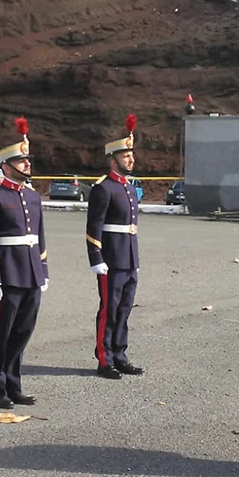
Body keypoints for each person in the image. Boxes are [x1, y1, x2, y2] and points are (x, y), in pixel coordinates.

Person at [0, 117, 47, 409]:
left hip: (30, 273)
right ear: (6, 165)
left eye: (27, 160)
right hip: (8, 275)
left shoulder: (32, 196)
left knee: (22, 332)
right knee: (1, 334)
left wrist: (43, 270)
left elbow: (39, 237)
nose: (27, 164)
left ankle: (14, 384)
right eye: (21, 160)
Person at [86, 114, 144, 379]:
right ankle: (104, 359)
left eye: (132, 156)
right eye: (126, 156)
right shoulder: (104, 188)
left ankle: (120, 355)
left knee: (124, 309)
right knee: (109, 309)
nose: (131, 160)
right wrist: (96, 257)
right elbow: (94, 226)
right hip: (111, 259)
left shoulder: (130, 189)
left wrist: (135, 260)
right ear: (113, 159)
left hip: (129, 258)